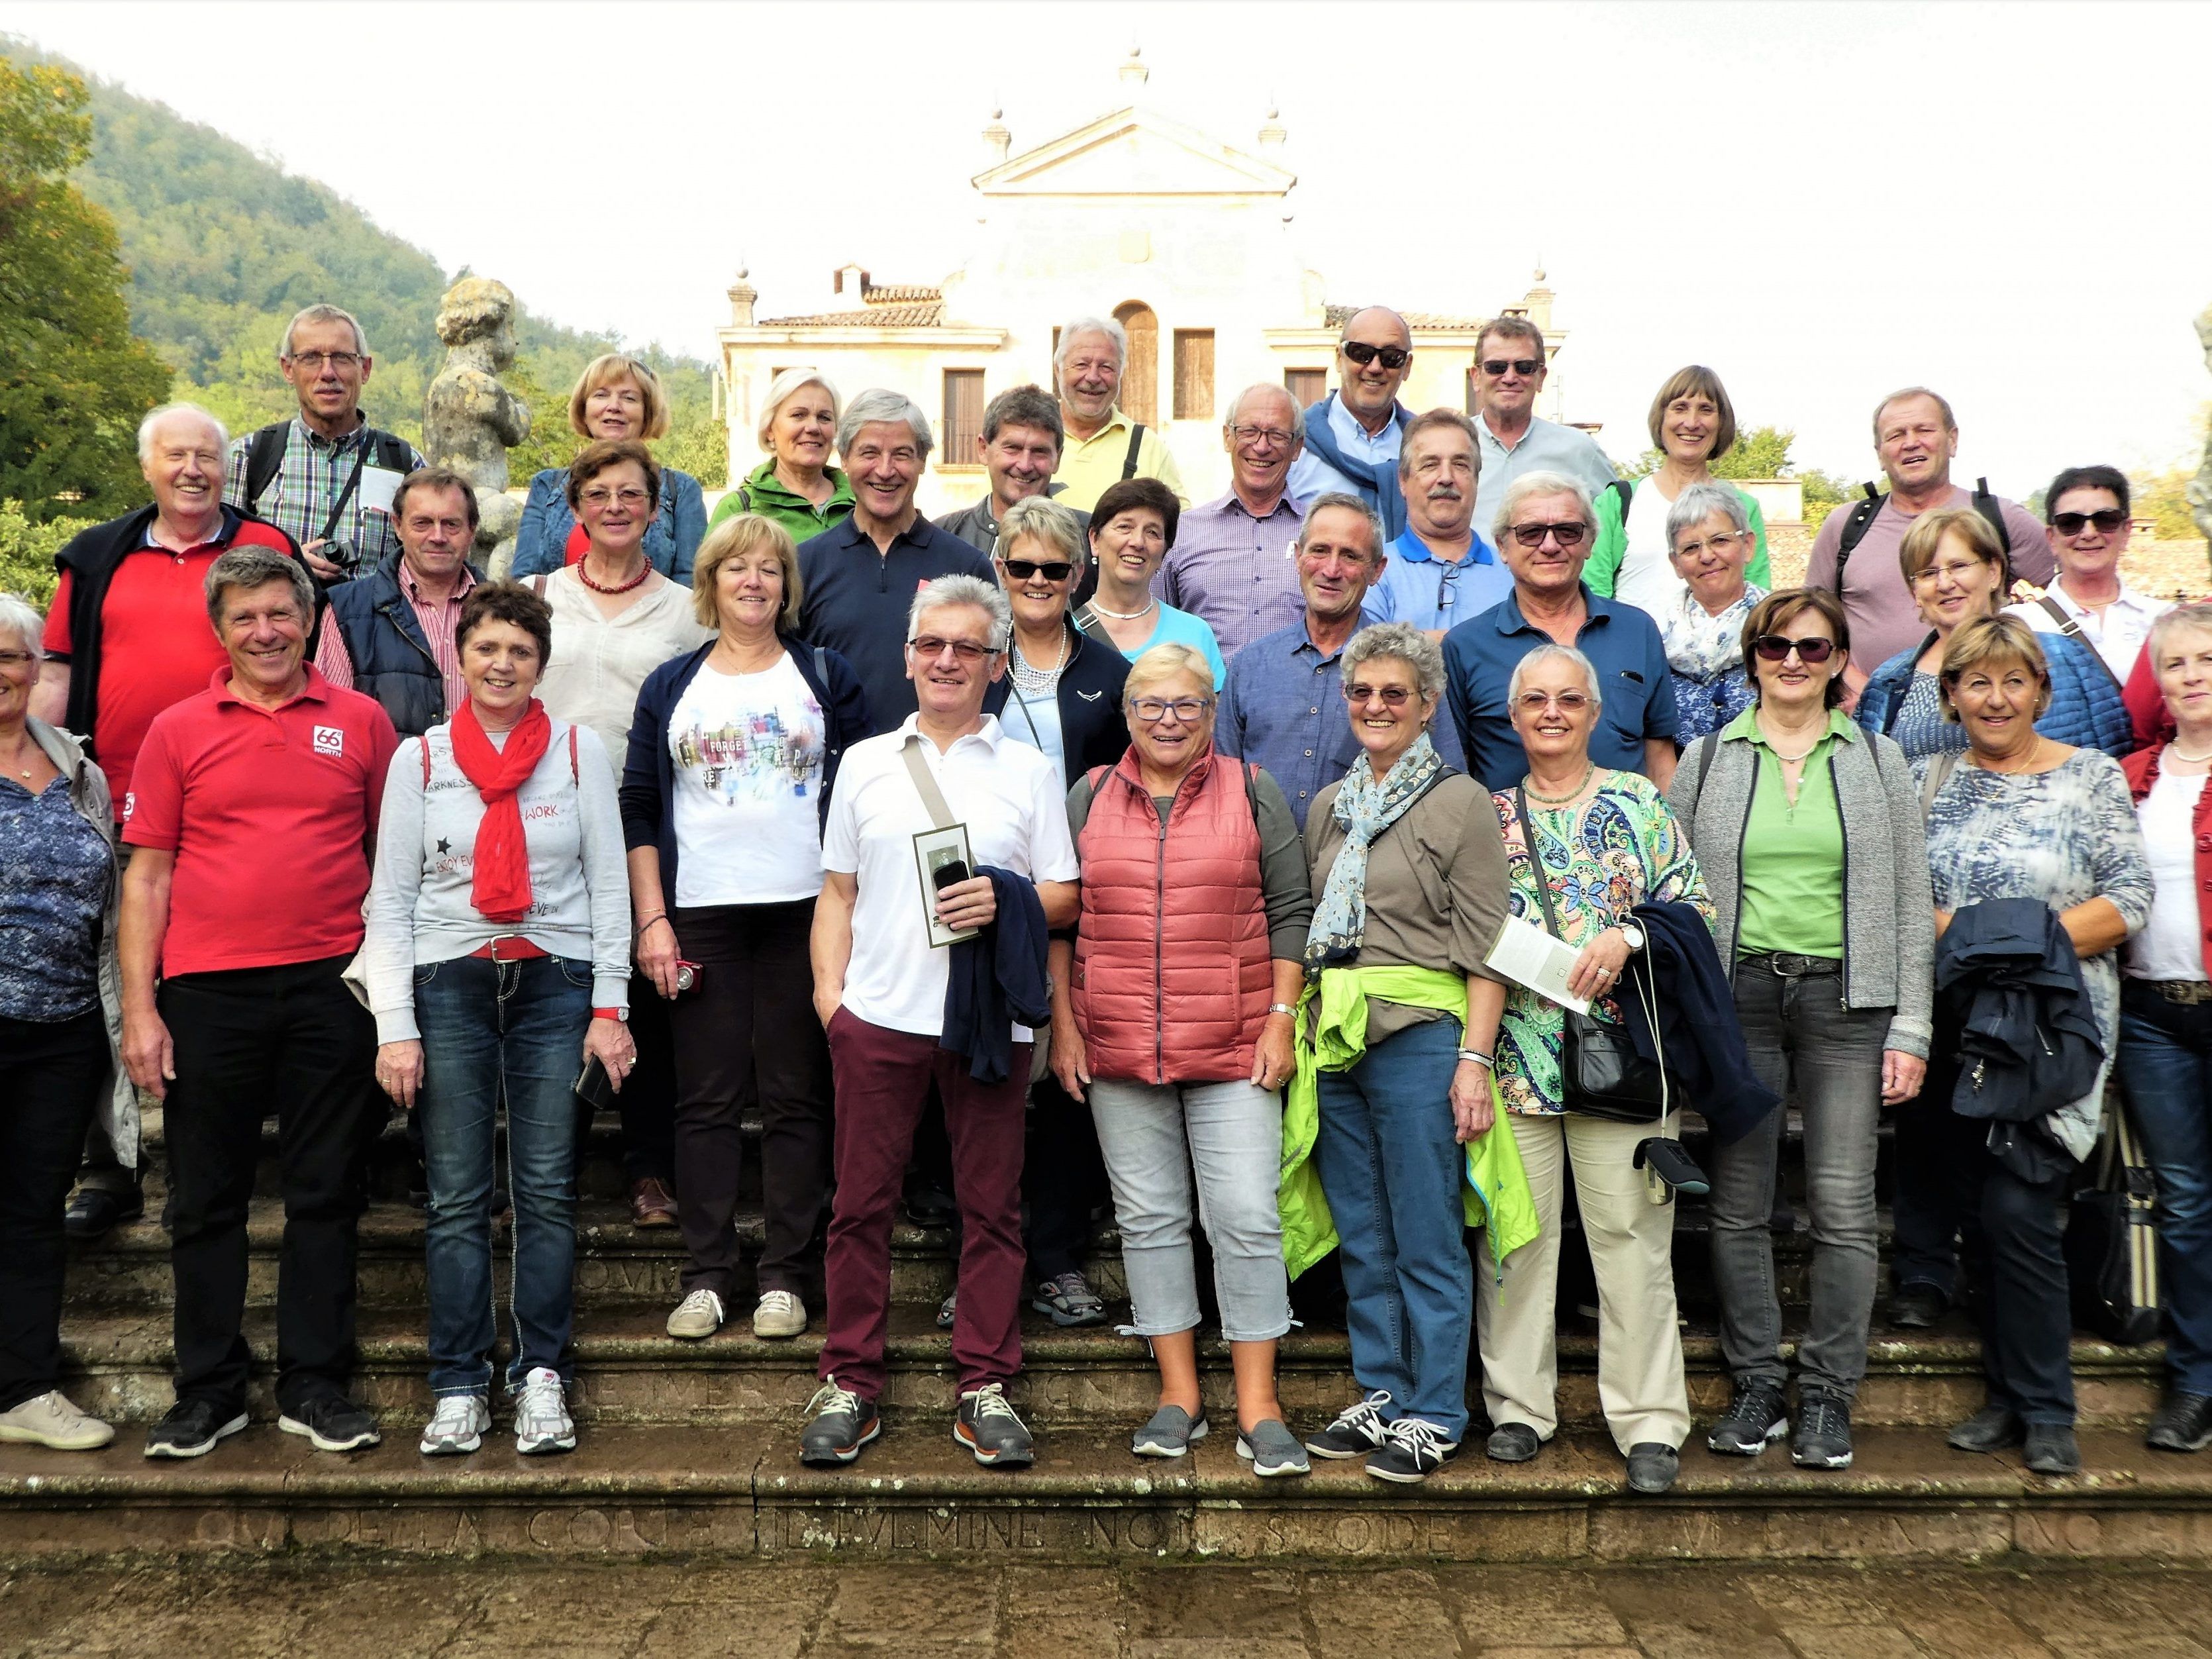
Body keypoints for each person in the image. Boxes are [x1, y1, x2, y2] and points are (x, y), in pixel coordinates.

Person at [123, 547, 399, 1458]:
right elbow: (148, 877)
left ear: (310, 617)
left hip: (331, 986)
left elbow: (387, 866)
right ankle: (208, 1389)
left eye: (281, 612)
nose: (266, 632)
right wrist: (140, 1009)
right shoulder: (177, 729)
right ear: (219, 629)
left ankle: (314, 1384)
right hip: (206, 991)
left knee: (325, 1190)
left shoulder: (361, 723)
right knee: (205, 1198)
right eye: (245, 618)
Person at [800, 576, 1080, 1470]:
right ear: (910, 657)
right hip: (879, 1017)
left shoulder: (1029, 770)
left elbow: (1067, 894)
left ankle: (986, 1386)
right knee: (859, 1209)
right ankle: (849, 1381)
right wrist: (829, 1001)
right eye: (932, 645)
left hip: (990, 1023)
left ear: (997, 665)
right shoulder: (866, 762)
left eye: (966, 647)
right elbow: (836, 889)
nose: (947, 660)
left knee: (993, 1210)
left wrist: (1004, 900)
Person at [362, 581, 632, 1458]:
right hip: (450, 987)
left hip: (555, 982)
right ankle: (459, 1379)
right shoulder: (423, 761)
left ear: (539, 664)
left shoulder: (581, 755)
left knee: (548, 1192)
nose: (503, 664)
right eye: (487, 649)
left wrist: (610, 1008)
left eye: (520, 651)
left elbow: (609, 892)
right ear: (461, 658)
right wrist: (394, 1024)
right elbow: (391, 903)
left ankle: (541, 1373)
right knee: (455, 1196)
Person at [1667, 588, 1933, 1472]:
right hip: (1739, 1002)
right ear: (1752, 656)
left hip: (1846, 1004)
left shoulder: (1879, 760)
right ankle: (1754, 1382)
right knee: (1739, 1206)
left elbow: (1905, 896)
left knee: (1846, 1206)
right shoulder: (1708, 759)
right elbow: (1678, 893)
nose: (1792, 661)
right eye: (1775, 645)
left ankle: (1827, 1395)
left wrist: (1914, 1028)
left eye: (1812, 649)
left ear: (1837, 660)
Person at [32, 403, 306, 1240]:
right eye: (176, 456)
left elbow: (306, 660)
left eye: (207, 457)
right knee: (112, 988)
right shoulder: (97, 555)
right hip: (117, 811)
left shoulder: (267, 549)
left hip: (248, 812)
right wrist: (38, 776)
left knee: (241, 981)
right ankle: (110, 1167)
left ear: (229, 468)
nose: (193, 470)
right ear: (148, 467)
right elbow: (55, 675)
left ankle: (273, 1153)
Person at [1048, 642, 1313, 1476]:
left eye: (1187, 705)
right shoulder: (1089, 795)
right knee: (1152, 1221)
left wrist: (1280, 1019)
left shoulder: (1251, 788)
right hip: (1119, 1045)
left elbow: (1291, 910)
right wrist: (1065, 1026)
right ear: (1126, 714)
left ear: (1212, 712)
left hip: (1236, 1043)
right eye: (1152, 705)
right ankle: (1179, 1397)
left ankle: (1259, 1406)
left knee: (1243, 1216)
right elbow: (1061, 922)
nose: (1169, 720)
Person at [623, 513, 866, 1344]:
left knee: (800, 1097)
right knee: (706, 1100)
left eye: (769, 569)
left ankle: (787, 1277)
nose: (754, 581)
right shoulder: (671, 686)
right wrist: (653, 918)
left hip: (808, 912)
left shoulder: (822, 678)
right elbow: (641, 807)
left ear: (786, 586)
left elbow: (863, 794)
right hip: (704, 917)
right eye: (738, 569)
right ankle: (707, 1275)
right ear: (712, 583)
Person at [1919, 616, 2150, 1477]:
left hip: (2056, 1032)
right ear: (1950, 697)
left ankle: (2050, 1407)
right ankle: (2006, 1394)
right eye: (1976, 682)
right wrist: (2015, 938)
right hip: (1959, 1026)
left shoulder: (2090, 777)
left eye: (2014, 680)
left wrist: (2002, 941)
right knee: (1980, 1217)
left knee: (2022, 1210)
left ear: (2041, 692)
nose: (1995, 697)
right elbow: (1911, 906)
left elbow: (2127, 900)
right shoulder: (1926, 780)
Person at [1480, 643, 1708, 1495]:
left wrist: (1630, 934)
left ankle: (1649, 1421)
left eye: (1568, 699)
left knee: (1631, 1245)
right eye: (1534, 699)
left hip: (1627, 1067)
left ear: (1595, 711)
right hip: (1516, 1067)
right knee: (1517, 1244)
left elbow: (1696, 906)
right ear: (1512, 715)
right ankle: (1516, 1408)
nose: (1550, 712)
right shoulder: (1489, 815)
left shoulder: (1640, 802)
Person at [1295, 623, 1520, 1483]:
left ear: (1427, 705)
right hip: (1341, 1042)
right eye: (1363, 692)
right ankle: (1383, 1390)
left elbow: (1487, 945)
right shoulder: (1329, 806)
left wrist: (1474, 1059)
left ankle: (1435, 1408)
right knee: (1365, 1231)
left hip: (1425, 1041)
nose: (1377, 706)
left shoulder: (1461, 802)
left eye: (1396, 693)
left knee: (1427, 1233)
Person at [531, 437, 711, 1229]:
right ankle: (549, 1167)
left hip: (646, 824)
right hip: (544, 826)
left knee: (645, 996)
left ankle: (649, 1171)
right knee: (558, 996)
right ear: (575, 508)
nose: (614, 506)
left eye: (631, 493)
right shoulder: (535, 595)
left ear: (654, 508)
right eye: (598, 492)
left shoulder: (684, 608)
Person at [970, 495, 1127, 1327]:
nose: (1035, 580)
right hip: (983, 901)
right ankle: (982, 1267)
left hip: (1081, 900)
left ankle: (1059, 1259)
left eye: (1053, 568)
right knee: (980, 1080)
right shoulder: (972, 661)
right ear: (998, 571)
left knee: (1067, 1082)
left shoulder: (1111, 674)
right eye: (1020, 565)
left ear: (1077, 577)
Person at [0, 596, 127, 1452]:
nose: (0, 676)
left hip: (65, 1026)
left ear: (38, 667)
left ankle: (24, 1385)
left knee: (34, 1207)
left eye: (10, 657)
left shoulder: (78, 766)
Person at [2116, 603, 2212, 1453]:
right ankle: (2194, 1379)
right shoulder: (2132, 777)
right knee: (2183, 1202)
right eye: (2175, 663)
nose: (2191, 676)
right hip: (2155, 1014)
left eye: (2206, 660)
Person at [1804, 387, 2056, 699]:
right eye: (1896, 435)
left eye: (1924, 430)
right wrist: (1862, 692)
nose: (1911, 443)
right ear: (1880, 453)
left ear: (1952, 440)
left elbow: (2057, 610)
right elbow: (1812, 624)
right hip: (1863, 715)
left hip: (1989, 708)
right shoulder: (1845, 527)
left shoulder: (2003, 520)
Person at [1443, 472, 1680, 791]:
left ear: (1590, 543)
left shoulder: (1638, 631)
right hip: (1506, 837)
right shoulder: (1465, 646)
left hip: (1624, 836)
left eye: (1568, 531)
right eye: (1531, 532)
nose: (1550, 546)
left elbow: (1660, 756)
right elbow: (1455, 769)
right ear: (1502, 546)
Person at [1855, 507, 2129, 768]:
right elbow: (1867, 787)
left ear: (1994, 573)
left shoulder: (2064, 659)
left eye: (1959, 565)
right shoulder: (1890, 682)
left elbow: (2121, 764)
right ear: (1915, 591)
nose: (1945, 583)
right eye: (1928, 573)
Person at [797, 389, 996, 736]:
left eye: (902, 455)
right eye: (869, 453)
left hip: (940, 772)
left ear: (922, 461)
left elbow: (991, 681)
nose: (885, 470)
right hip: (835, 775)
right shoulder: (804, 565)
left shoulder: (967, 567)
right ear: (843, 459)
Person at [1218, 493, 1399, 826]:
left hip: (1368, 868)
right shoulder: (1250, 667)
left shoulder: (1404, 669)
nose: (1331, 570)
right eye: (1319, 550)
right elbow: (1219, 788)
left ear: (1376, 570)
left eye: (1350, 556)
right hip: (1261, 868)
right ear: (1299, 556)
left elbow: (1442, 780)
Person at [224, 303, 425, 584]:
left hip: (368, 626)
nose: (327, 373)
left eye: (342, 358)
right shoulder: (247, 458)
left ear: (365, 368)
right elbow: (217, 567)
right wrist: (289, 561)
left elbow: (427, 571)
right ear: (288, 368)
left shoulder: (405, 464)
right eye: (311, 358)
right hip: (276, 626)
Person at [1585, 366, 1773, 617]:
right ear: (1661, 418)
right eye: (1680, 408)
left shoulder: (1743, 506)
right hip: (1635, 652)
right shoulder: (1618, 501)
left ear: (1721, 422)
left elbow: (1759, 603)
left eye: (1706, 410)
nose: (1692, 423)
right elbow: (1593, 595)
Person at [315, 466, 483, 737]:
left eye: (451, 524)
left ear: (471, 530)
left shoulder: (499, 608)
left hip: (485, 775)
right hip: (387, 776)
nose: (437, 537)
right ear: (398, 526)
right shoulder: (346, 609)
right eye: (422, 523)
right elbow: (332, 718)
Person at [512, 354, 708, 581]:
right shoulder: (547, 486)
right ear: (584, 409)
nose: (614, 407)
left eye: (629, 398)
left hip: (654, 615)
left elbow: (691, 584)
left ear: (648, 412)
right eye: (601, 395)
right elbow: (524, 580)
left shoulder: (681, 490)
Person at [1158, 384, 1309, 658]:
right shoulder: (1181, 532)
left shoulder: (1319, 536)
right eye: (1249, 432)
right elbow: (1154, 630)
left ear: (1297, 447)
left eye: (1277, 435)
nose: (1261, 447)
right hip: (1203, 698)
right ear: (1228, 437)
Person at [2009, 464, 2167, 684]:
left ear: (2126, 532)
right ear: (2051, 538)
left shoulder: (2164, 620)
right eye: (2070, 523)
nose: (2089, 533)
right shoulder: (2016, 625)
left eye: (2105, 520)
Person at [1361, 410, 1511, 639]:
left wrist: (1406, 640)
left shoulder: (1512, 571)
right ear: (1403, 481)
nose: (1446, 477)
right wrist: (1482, 643)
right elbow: (1371, 658)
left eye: (1460, 465)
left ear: (1476, 480)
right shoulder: (1374, 572)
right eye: (1430, 465)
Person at [1466, 316, 1617, 531]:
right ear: (1476, 377)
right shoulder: (1453, 448)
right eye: (1496, 367)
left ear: (1541, 377)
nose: (1509, 377)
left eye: (1524, 367)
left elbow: (1614, 528)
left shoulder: (1580, 450)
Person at [1074, 478, 1227, 687]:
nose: (1137, 542)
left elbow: (1213, 716)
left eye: (1152, 532)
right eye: (1125, 527)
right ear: (1094, 539)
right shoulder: (1065, 634)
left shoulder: (1194, 633)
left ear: (1165, 551)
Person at [1287, 308, 1415, 538]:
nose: (1375, 367)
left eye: (1391, 357)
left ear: (1407, 367)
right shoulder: (1295, 442)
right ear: (1339, 357)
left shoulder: (1423, 446)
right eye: (1361, 353)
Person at [1657, 483, 1768, 742]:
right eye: (1691, 548)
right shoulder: (1652, 636)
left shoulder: (1780, 626)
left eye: (1720, 540)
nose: (1707, 556)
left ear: (1748, 545)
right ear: (1676, 564)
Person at [935, 384, 1088, 563]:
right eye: (1013, 448)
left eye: (1039, 451)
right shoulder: (944, 538)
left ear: (1058, 458)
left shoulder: (1090, 541)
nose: (1025, 465)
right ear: (983, 449)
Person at [1047, 317, 1187, 511]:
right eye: (1081, 365)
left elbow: (1181, 527)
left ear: (1121, 374)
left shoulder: (1147, 447)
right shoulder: (1029, 438)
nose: (1093, 377)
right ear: (1058, 369)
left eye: (1106, 367)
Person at [707, 368, 854, 543]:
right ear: (769, 429)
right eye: (799, 415)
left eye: (824, 418)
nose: (813, 427)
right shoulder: (739, 509)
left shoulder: (861, 503)